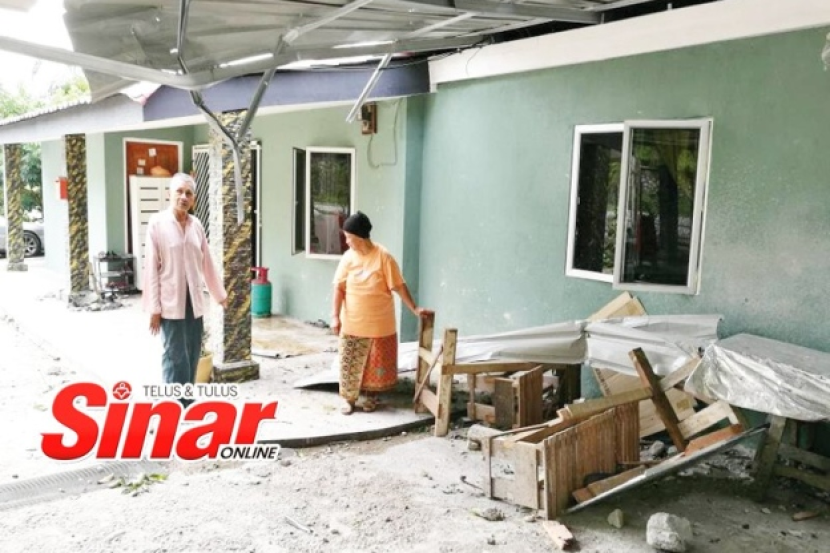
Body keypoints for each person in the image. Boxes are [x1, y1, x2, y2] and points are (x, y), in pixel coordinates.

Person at [331, 211, 432, 415]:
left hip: (379, 324)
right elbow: (339, 288)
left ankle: (371, 397)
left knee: (374, 364)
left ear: (360, 237)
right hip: (353, 323)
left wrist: (414, 308)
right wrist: (334, 316)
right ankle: (349, 400)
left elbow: (398, 285)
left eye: (349, 237)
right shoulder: (348, 258)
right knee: (350, 362)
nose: (347, 242)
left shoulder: (383, 257)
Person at [142, 173, 228, 405]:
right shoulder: (157, 224)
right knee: (174, 355)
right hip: (170, 302)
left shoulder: (196, 225)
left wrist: (219, 294)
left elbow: (206, 262)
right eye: (179, 191)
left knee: (192, 352)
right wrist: (154, 308)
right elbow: (151, 268)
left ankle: (187, 402)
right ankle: (172, 404)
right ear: (169, 194)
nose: (183, 197)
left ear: (194, 199)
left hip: (194, 301)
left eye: (188, 193)